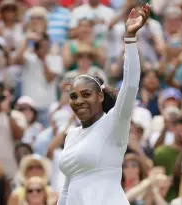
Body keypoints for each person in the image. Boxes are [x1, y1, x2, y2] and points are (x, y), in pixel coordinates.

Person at [57, 4, 151, 205]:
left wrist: (130, 39)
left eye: (86, 94)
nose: (79, 100)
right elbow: (66, 189)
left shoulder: (114, 123)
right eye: (73, 96)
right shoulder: (72, 136)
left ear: (100, 97)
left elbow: (131, 84)